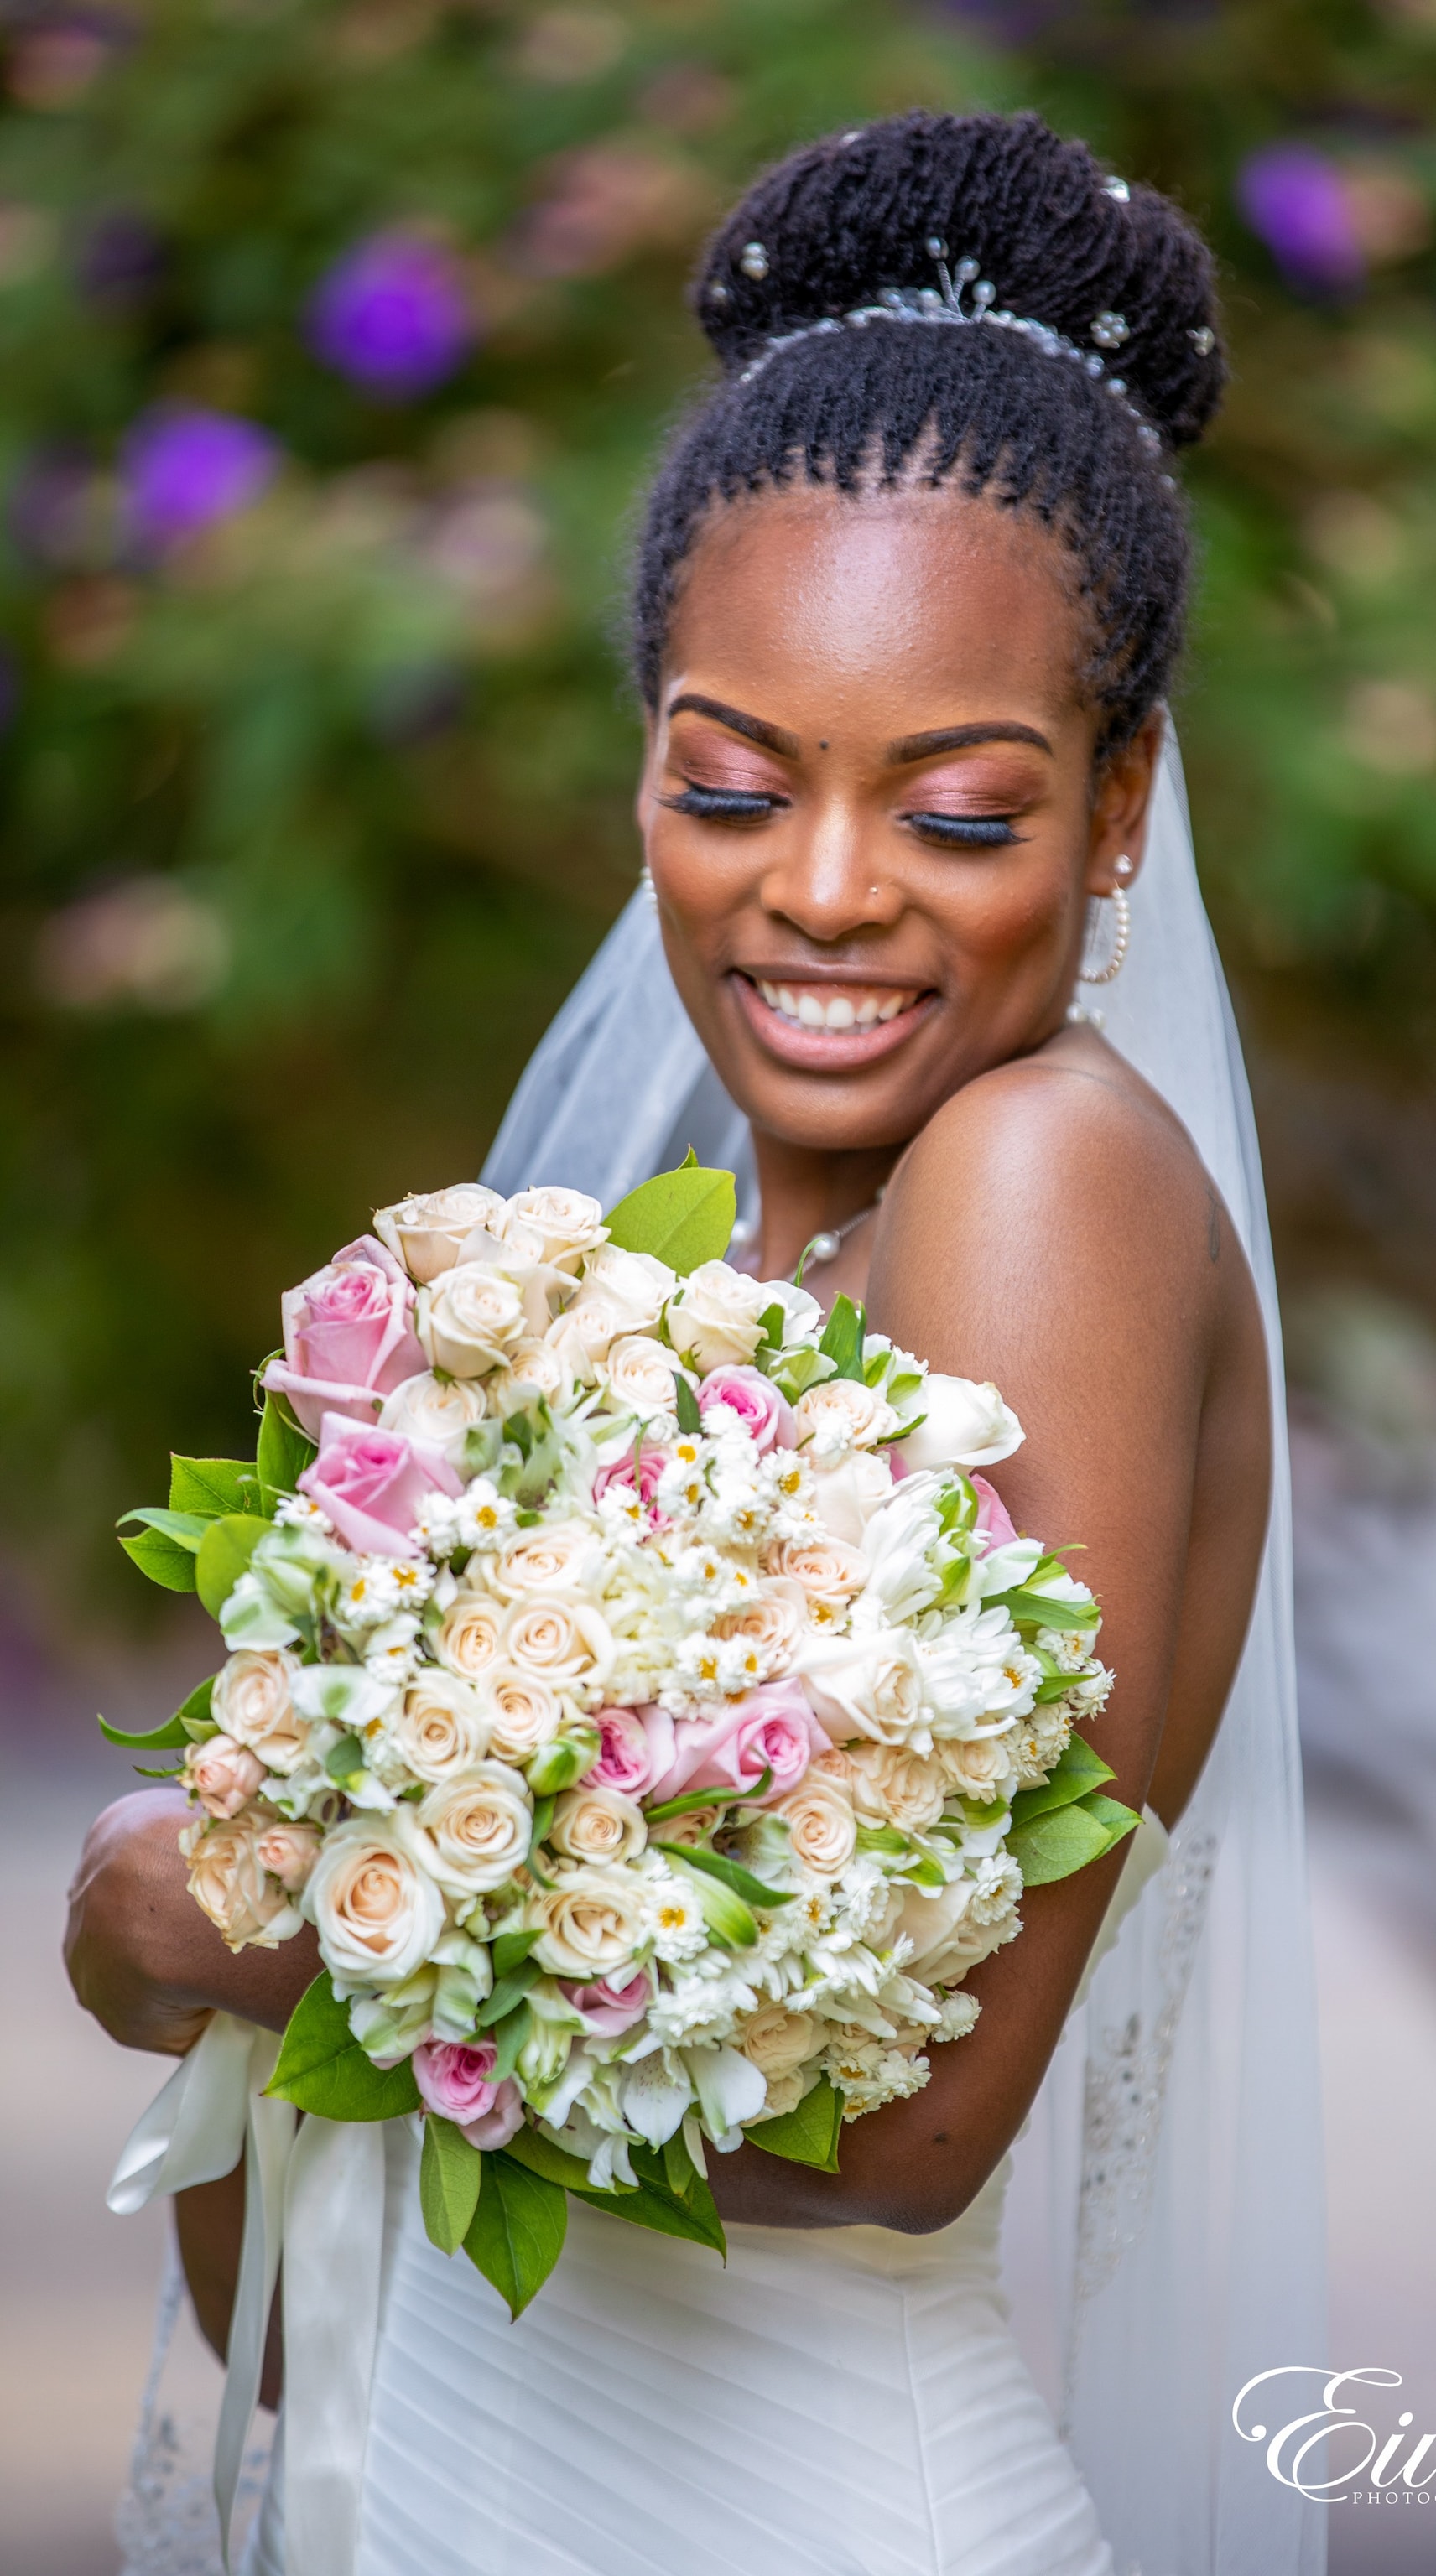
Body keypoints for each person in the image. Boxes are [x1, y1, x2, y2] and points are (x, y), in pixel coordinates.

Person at [66, 112, 1324, 2576]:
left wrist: (230, 1903)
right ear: (647, 753)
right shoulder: (654, 1302)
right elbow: (348, 2274)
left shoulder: (1039, 1172)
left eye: (957, 815)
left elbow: (917, 2110)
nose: (825, 891)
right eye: (734, 785)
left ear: (1116, 806)